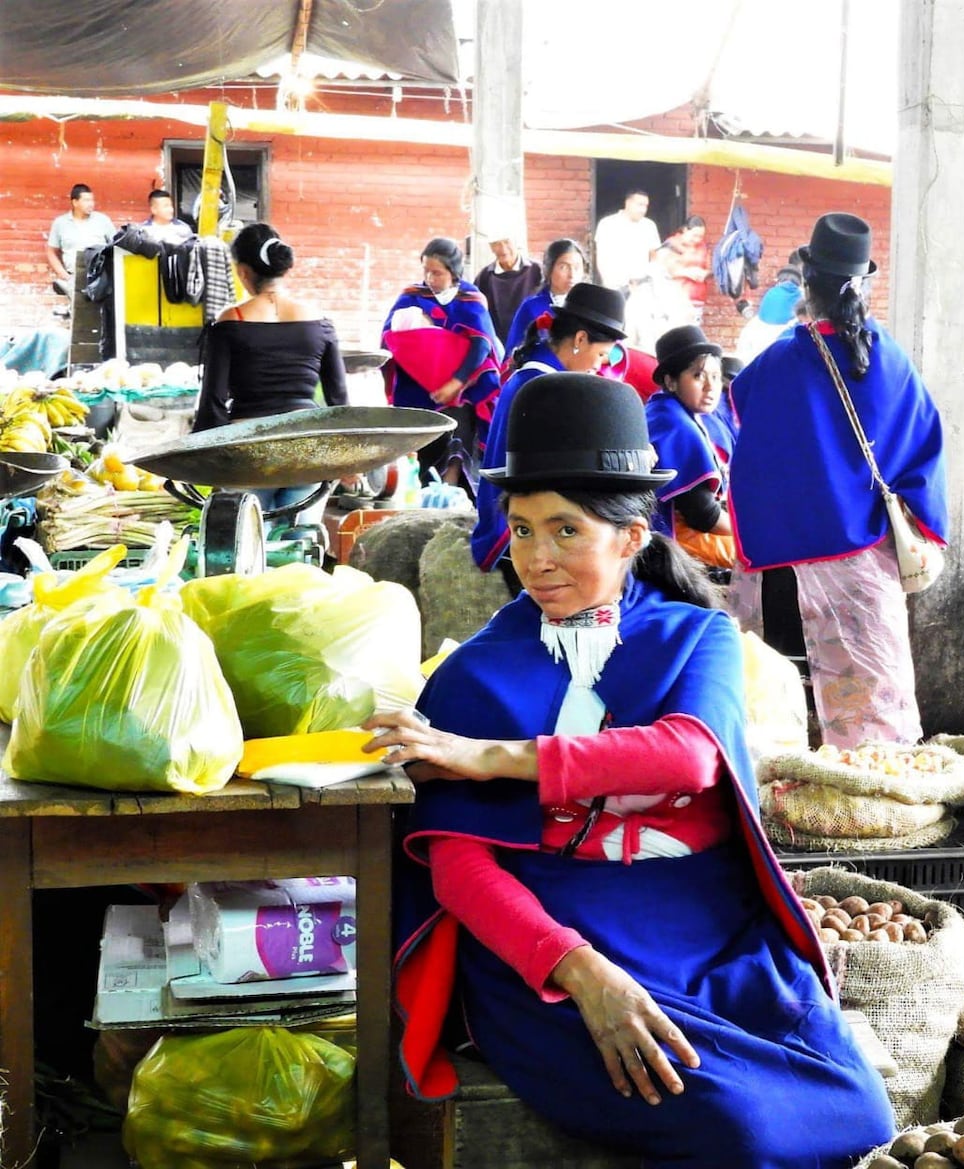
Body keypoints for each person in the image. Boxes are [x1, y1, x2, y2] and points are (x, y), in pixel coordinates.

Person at [375, 372, 895, 1168]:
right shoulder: (474, 674)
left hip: (710, 929)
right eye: (520, 530)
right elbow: (456, 866)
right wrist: (583, 976)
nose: (536, 559)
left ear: (631, 535)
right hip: (546, 952)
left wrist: (492, 758)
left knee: (856, 1109)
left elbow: (688, 752)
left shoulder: (698, 638)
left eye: (565, 530)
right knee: (739, 1129)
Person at [728, 212, 948, 748]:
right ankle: (869, 814)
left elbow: (749, 444)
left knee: (774, 699)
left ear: (806, 282)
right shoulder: (891, 360)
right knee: (871, 711)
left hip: (782, 569)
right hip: (864, 567)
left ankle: (776, 806)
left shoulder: (780, 360)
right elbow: (926, 447)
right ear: (865, 284)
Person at [192, 222, 348, 525]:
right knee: (301, 542)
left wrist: (202, 459)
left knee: (250, 541)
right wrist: (347, 455)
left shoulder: (230, 321)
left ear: (243, 272)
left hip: (250, 449)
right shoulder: (320, 320)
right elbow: (338, 397)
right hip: (306, 445)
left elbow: (212, 399)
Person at [472, 283, 628, 580]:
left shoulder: (532, 376)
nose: (600, 367)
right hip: (515, 529)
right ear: (580, 339)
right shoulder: (547, 389)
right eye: (601, 356)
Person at [380, 237, 503, 492]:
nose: (429, 279)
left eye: (437, 273)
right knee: (420, 447)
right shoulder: (412, 296)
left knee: (456, 438)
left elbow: (482, 344)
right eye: (426, 271)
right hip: (417, 389)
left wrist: (455, 383)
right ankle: (422, 492)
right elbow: (389, 336)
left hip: (462, 388)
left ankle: (449, 491)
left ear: (454, 272)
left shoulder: (471, 298)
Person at [644, 325, 735, 570]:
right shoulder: (673, 424)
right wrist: (746, 534)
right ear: (670, 381)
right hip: (672, 542)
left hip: (678, 533)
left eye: (715, 377)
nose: (710, 387)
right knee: (761, 551)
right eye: (698, 376)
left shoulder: (667, 410)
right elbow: (703, 515)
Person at [505, 238, 588, 356]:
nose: (572, 275)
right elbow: (512, 353)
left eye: (577, 267)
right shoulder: (531, 307)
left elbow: (615, 351)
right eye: (563, 267)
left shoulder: (591, 306)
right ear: (548, 269)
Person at [473, 228, 542, 345]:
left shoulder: (537, 271)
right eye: (496, 244)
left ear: (516, 242)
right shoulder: (484, 277)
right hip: (498, 346)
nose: (503, 249)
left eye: (507, 242)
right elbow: (477, 313)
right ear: (491, 248)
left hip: (533, 342)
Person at [46, 183, 115, 296]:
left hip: (99, 276)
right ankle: (69, 288)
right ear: (75, 202)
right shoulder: (61, 223)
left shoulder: (103, 221)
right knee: (73, 293)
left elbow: (116, 245)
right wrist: (64, 275)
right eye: (86, 200)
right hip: (73, 275)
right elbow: (51, 251)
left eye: (92, 200)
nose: (91, 204)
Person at [593, 189, 661, 294]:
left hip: (641, 287)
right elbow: (602, 256)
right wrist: (608, 283)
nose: (643, 210)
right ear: (628, 203)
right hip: (614, 285)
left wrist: (651, 280)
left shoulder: (649, 226)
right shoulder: (607, 224)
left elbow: (654, 256)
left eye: (646, 206)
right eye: (640, 205)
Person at [735, 265, 806, 364]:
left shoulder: (770, 294)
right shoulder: (802, 297)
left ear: (778, 281)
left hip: (754, 354)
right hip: (782, 354)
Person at [661, 215, 710, 322]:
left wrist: (704, 274)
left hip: (697, 299)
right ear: (685, 230)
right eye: (694, 235)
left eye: (701, 236)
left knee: (692, 334)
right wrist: (687, 272)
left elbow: (708, 267)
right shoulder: (672, 244)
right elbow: (662, 270)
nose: (697, 239)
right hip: (676, 298)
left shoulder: (703, 246)